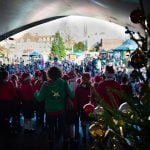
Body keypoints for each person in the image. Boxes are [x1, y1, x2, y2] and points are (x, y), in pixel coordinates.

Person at [34, 66, 74, 146]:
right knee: (63, 126)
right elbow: (72, 95)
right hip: (61, 109)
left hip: (50, 110)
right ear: (59, 73)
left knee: (50, 126)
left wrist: (36, 93)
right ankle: (65, 140)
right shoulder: (63, 82)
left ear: (49, 74)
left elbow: (39, 98)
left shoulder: (45, 84)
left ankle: (51, 140)